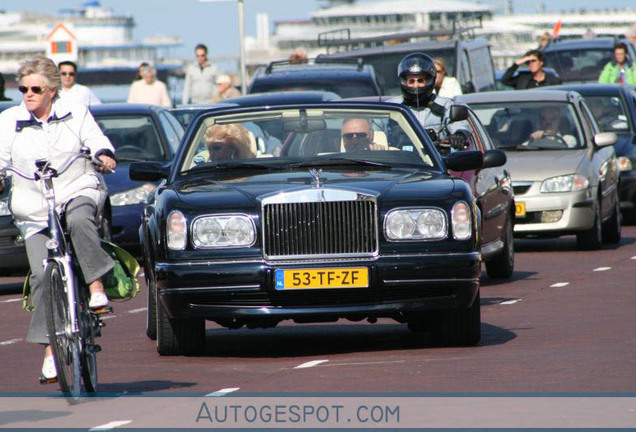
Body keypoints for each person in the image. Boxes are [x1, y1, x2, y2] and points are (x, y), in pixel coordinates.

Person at [0, 55, 116, 381]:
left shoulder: (75, 112)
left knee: (80, 221)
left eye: (35, 88)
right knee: (40, 275)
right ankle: (50, 349)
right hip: (33, 208)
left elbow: (95, 140)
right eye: (23, 88)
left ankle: (95, 287)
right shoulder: (9, 120)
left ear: (52, 90)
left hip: (74, 188)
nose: (28, 94)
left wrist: (103, 154)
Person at [387, 53, 471, 150]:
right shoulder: (391, 106)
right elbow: (376, 128)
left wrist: (459, 134)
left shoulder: (444, 105)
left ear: (429, 80)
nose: (416, 85)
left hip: (437, 159)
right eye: (411, 81)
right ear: (404, 82)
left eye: (420, 80)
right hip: (398, 161)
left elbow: (458, 123)